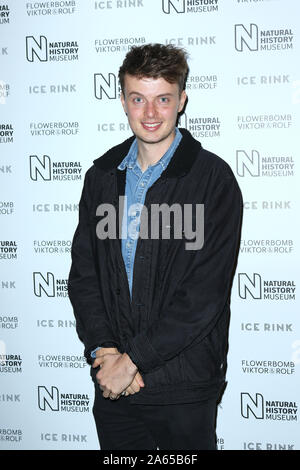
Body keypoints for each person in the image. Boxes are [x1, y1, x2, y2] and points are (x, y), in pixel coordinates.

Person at [68, 43, 243, 450]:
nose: (150, 114)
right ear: (124, 102)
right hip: (115, 387)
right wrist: (107, 353)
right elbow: (85, 277)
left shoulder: (213, 180)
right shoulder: (102, 177)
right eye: (138, 99)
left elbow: (203, 296)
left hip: (185, 389)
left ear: (182, 100)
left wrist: (132, 361)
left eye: (163, 99)